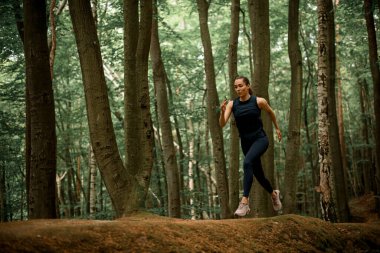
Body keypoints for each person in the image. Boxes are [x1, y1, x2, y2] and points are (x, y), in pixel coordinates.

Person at [219, 76, 282, 217]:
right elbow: (222, 124)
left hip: (260, 139)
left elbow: (271, 112)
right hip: (246, 143)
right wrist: (222, 112)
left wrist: (277, 128)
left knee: (247, 162)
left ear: (248, 86)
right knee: (258, 174)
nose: (238, 89)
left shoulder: (259, 101)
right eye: (235, 87)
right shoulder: (232, 104)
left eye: (240, 85)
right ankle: (274, 194)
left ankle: (244, 202)